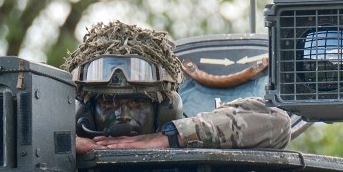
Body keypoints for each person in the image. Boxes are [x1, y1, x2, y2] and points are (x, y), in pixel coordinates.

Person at [62, 21, 290, 155]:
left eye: (136, 102)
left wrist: (172, 138)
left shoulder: (193, 133)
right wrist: (62, 144)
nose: (122, 116)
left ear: (165, 108)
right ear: (87, 111)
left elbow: (277, 123)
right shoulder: (68, 144)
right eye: (109, 103)